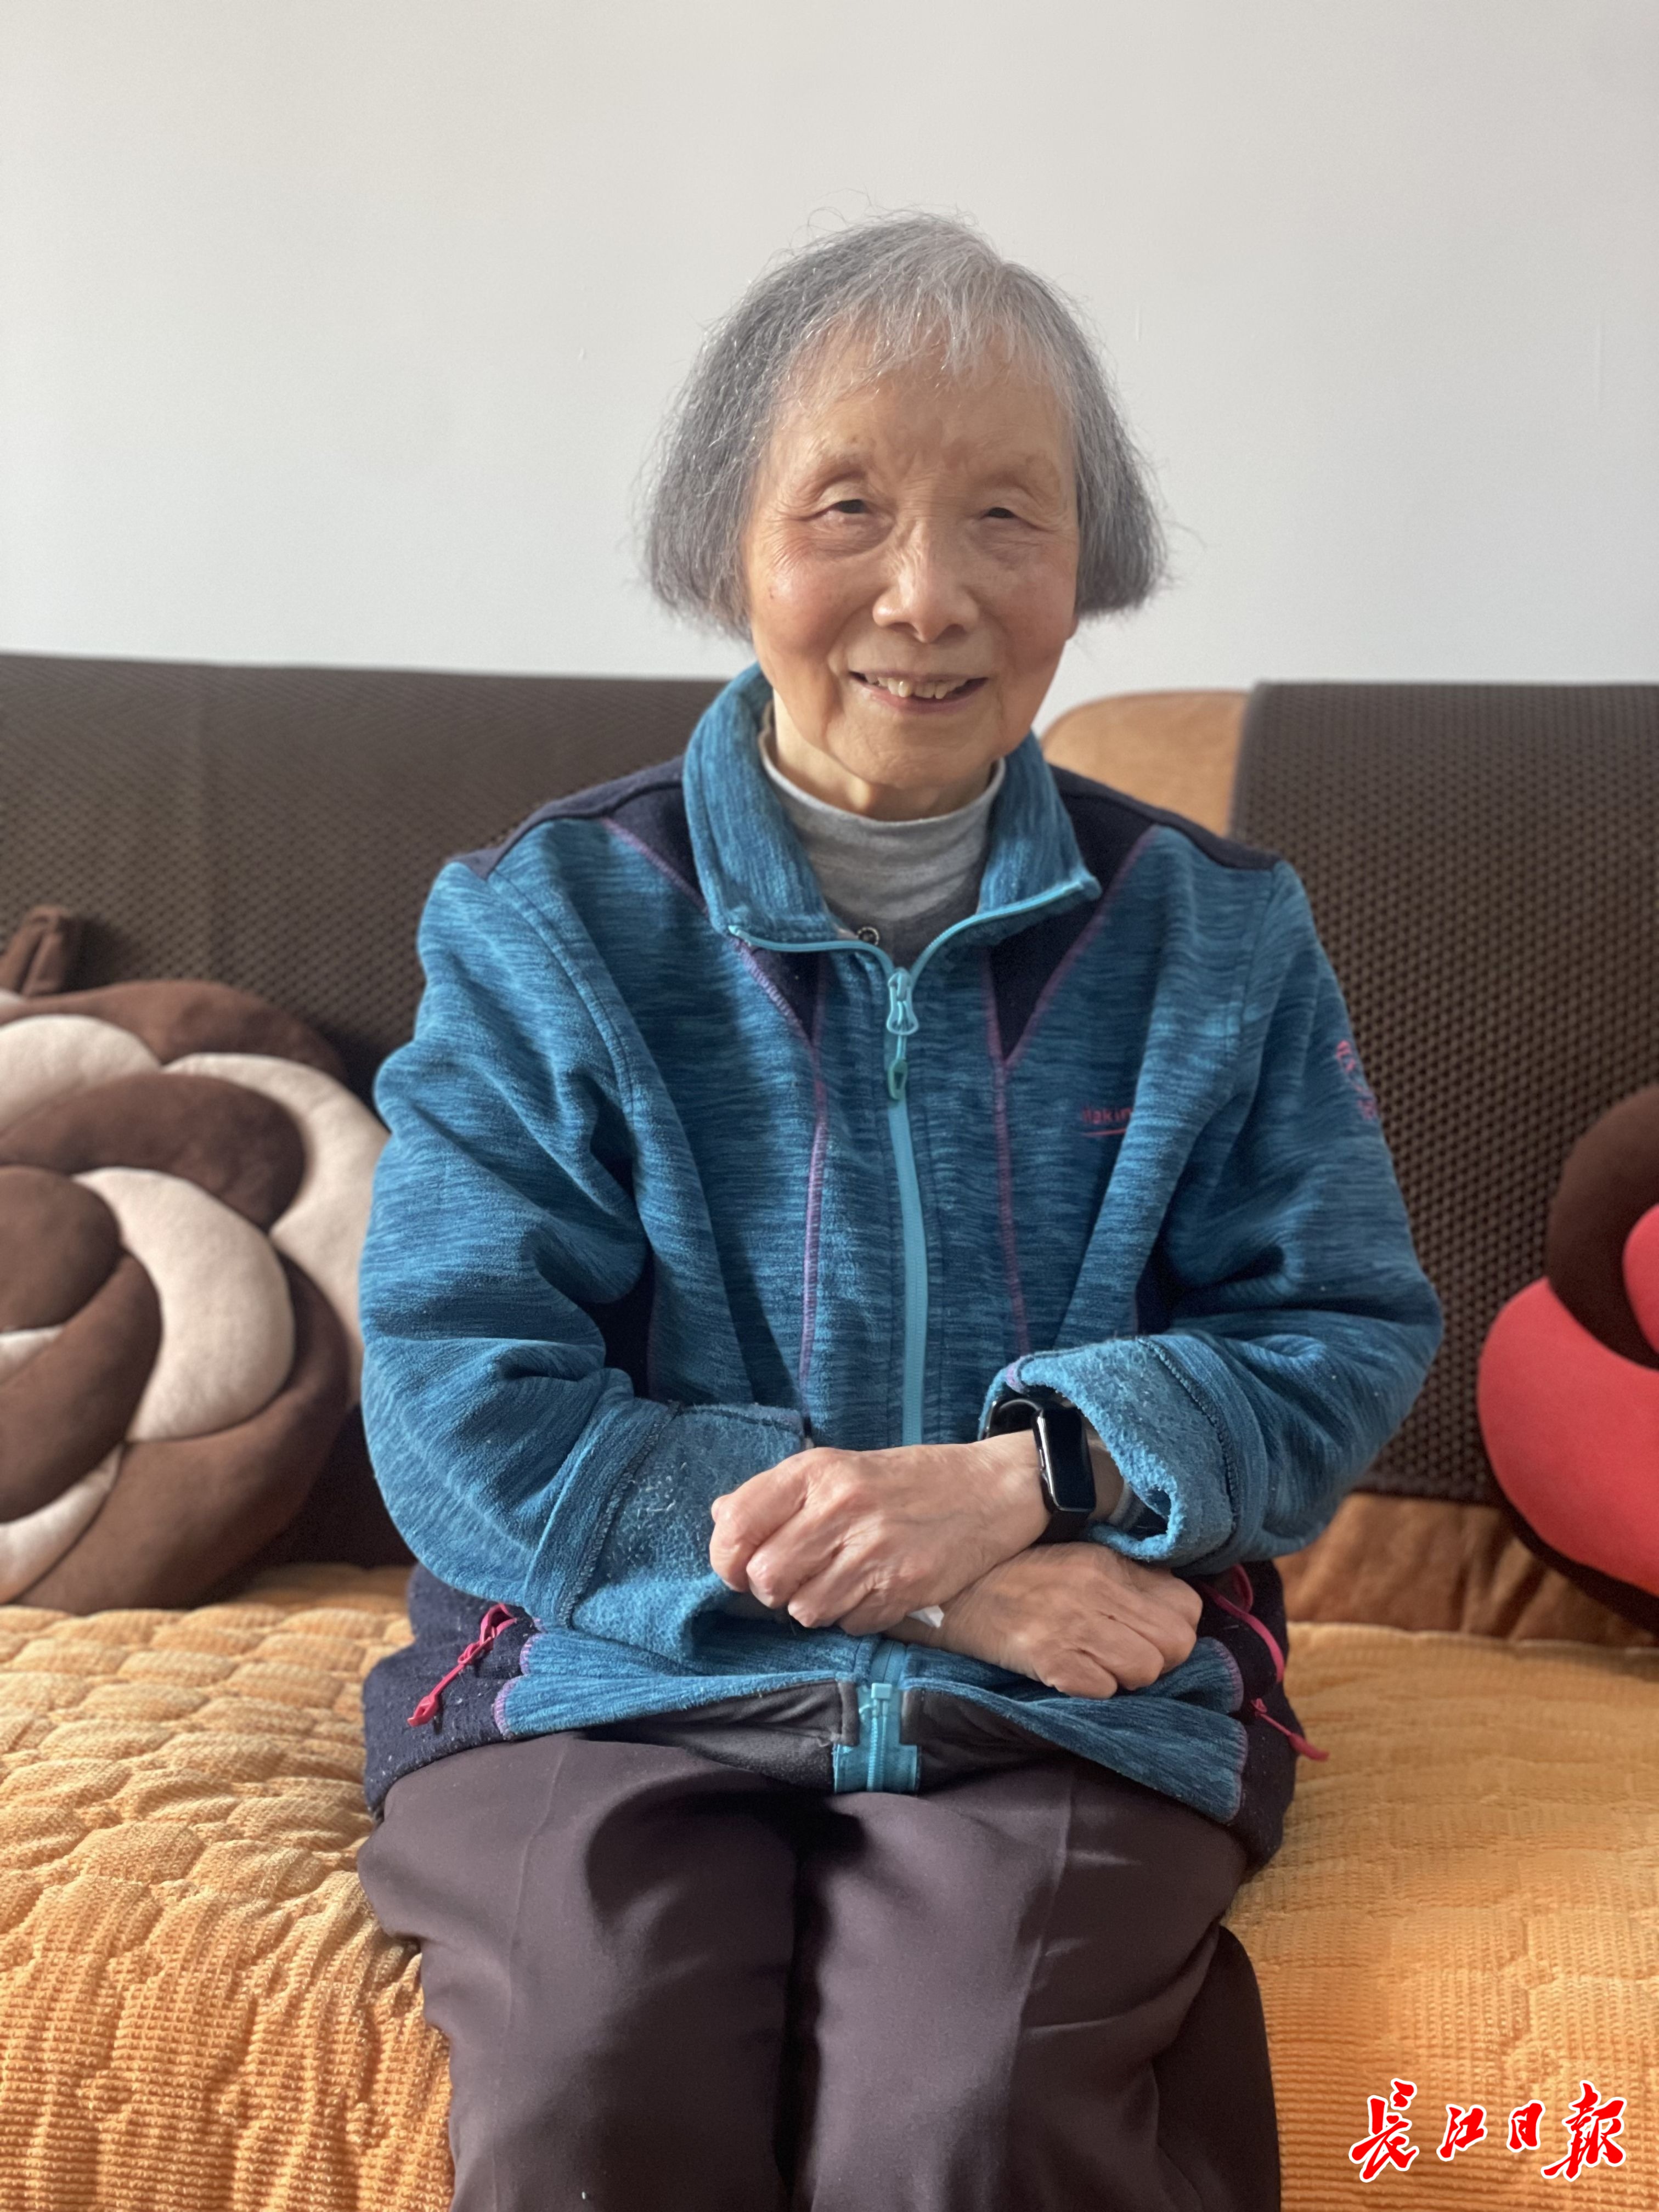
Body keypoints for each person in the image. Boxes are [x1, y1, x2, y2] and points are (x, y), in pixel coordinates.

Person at [354, 213, 1441, 2212]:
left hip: (1076, 1693)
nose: (926, 596)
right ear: (730, 543)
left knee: (970, 2115)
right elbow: (459, 1401)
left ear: (1089, 563)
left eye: (1007, 517)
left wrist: (1037, 1477)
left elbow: (1337, 1331)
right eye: (845, 508)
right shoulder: (547, 921)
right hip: (609, 1679)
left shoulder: (1215, 937)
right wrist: (926, 1575)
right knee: (592, 2089)